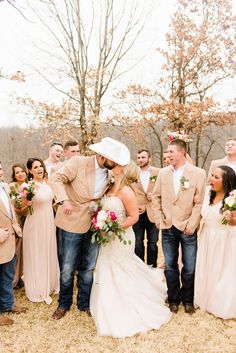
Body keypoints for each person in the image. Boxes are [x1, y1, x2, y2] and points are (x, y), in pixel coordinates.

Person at [49, 137, 129, 320]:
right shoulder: (78, 162)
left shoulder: (110, 173)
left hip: (95, 224)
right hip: (71, 221)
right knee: (68, 267)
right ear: (102, 157)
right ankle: (64, 304)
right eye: (113, 160)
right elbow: (55, 179)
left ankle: (84, 304)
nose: (115, 164)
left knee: (88, 267)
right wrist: (65, 200)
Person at [90, 160, 172, 338]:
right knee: (107, 266)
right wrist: (101, 224)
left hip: (121, 236)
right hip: (107, 238)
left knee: (121, 268)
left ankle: (127, 305)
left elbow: (134, 216)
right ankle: (108, 304)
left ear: (125, 170)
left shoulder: (126, 191)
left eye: (118, 165)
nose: (114, 167)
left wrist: (113, 229)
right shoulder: (109, 187)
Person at [152, 139, 206, 314]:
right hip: (167, 226)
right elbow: (156, 197)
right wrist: (159, 219)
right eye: (167, 152)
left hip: (187, 227)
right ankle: (173, 298)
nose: (168, 155)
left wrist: (192, 224)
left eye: (171, 152)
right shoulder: (163, 173)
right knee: (170, 264)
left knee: (189, 266)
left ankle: (188, 299)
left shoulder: (198, 173)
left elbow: (200, 202)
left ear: (182, 152)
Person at [194, 166, 236, 319]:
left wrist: (230, 217)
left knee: (222, 270)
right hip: (207, 237)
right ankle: (205, 298)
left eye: (216, 177)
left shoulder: (233, 197)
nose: (211, 179)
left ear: (226, 181)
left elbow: (233, 223)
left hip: (224, 239)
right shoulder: (207, 194)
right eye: (212, 175)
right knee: (207, 267)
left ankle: (220, 303)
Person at [23, 158, 59, 304]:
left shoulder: (47, 184)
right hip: (35, 224)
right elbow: (22, 209)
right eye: (36, 167)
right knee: (37, 253)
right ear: (30, 171)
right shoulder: (28, 186)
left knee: (48, 251)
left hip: (49, 222)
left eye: (41, 166)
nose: (39, 169)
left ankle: (50, 284)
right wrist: (28, 203)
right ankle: (38, 287)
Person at [0, 161, 27, 326]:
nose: (0, 172)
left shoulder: (5, 187)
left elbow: (10, 209)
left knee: (7, 274)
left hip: (9, 238)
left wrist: (16, 225)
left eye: (1, 168)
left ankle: (7, 304)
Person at [133, 149, 160, 267]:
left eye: (143, 157)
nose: (140, 160)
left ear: (149, 158)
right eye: (138, 157)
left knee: (153, 242)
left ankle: (152, 267)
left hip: (153, 212)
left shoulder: (158, 172)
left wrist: (154, 195)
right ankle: (140, 268)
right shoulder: (132, 173)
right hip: (137, 212)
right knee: (138, 242)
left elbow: (164, 190)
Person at [9, 163, 29, 288]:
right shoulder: (12, 187)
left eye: (22, 171)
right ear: (14, 175)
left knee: (26, 251)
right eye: (17, 172)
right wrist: (27, 206)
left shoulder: (31, 185)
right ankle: (14, 279)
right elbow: (15, 209)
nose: (20, 174)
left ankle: (22, 275)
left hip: (31, 220)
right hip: (18, 221)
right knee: (17, 251)